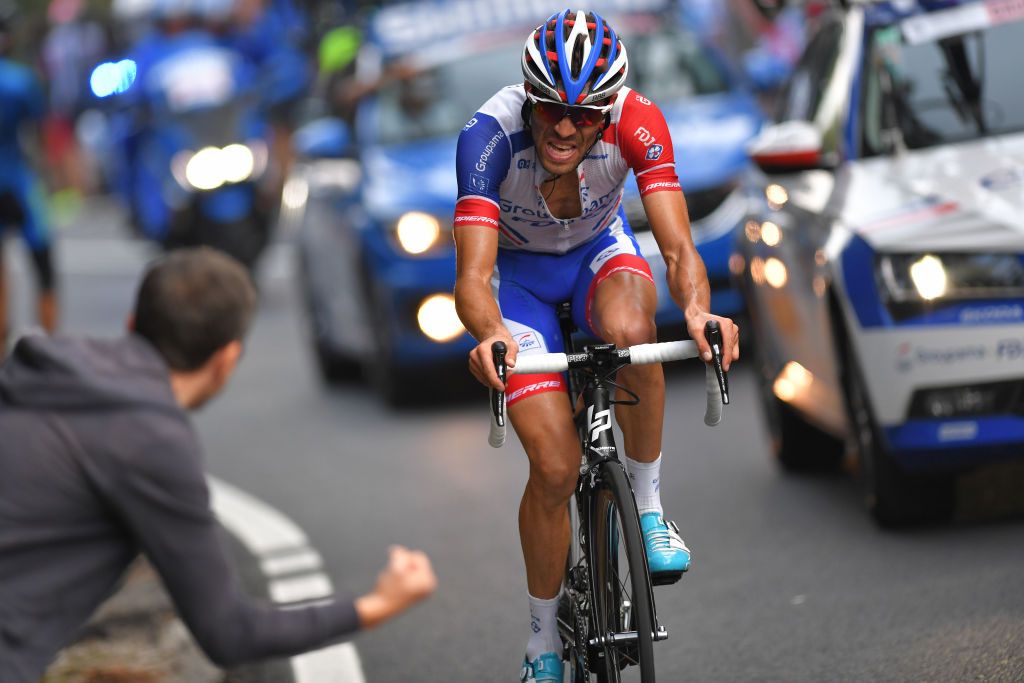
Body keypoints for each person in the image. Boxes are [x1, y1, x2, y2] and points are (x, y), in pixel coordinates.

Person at [452, 9, 740, 682]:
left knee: (635, 332)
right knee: (553, 467)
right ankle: (542, 641)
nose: (564, 127)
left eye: (584, 116)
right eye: (551, 107)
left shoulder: (639, 121)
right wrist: (490, 332)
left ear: (607, 113)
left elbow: (677, 247)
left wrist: (698, 310)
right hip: (519, 289)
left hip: (598, 260)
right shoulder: (487, 137)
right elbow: (471, 277)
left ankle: (648, 511)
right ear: (529, 95)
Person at [0, 248, 436, 683]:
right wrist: (377, 605)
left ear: (133, 325)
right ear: (227, 359)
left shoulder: (40, 372)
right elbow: (229, 633)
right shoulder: (150, 438)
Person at [0, 1, 58, 352]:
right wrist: (58, 174)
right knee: (44, 265)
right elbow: (42, 132)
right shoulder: (20, 81)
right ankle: (50, 350)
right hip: (17, 181)